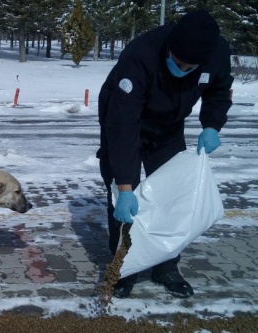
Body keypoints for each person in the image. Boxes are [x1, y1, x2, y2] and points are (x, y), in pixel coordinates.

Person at [97, 9, 233, 299]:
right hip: (124, 117)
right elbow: (123, 126)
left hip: (170, 125)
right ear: (170, 47)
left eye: (190, 67)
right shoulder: (141, 55)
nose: (182, 69)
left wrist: (212, 125)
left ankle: (166, 266)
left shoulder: (216, 52)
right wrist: (125, 186)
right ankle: (124, 266)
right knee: (123, 197)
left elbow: (219, 91)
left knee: (171, 195)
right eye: (178, 62)